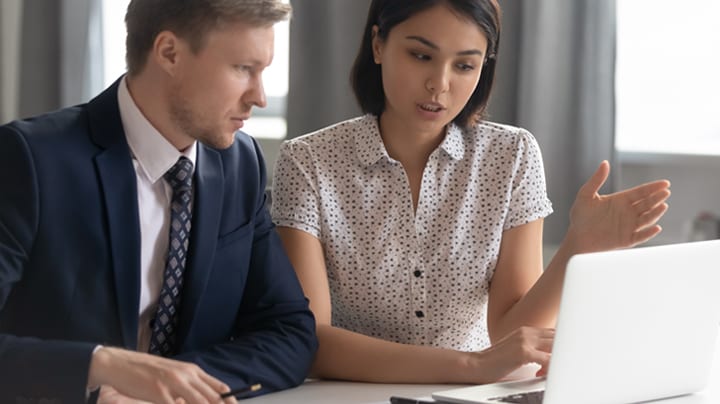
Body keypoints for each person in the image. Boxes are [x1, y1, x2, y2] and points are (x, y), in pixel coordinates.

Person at [270, 0, 670, 384]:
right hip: (353, 395)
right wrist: (471, 365)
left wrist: (577, 247)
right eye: (421, 56)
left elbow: (511, 332)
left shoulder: (512, 156)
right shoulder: (309, 162)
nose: (439, 85)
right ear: (378, 44)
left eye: (464, 65)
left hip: (472, 395)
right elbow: (313, 341)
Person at [0, 0, 317, 402]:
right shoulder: (30, 159)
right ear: (169, 53)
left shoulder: (241, 164)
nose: (259, 97)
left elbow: (289, 333)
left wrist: (167, 386)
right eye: (243, 69)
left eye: (263, 71)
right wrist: (99, 369)